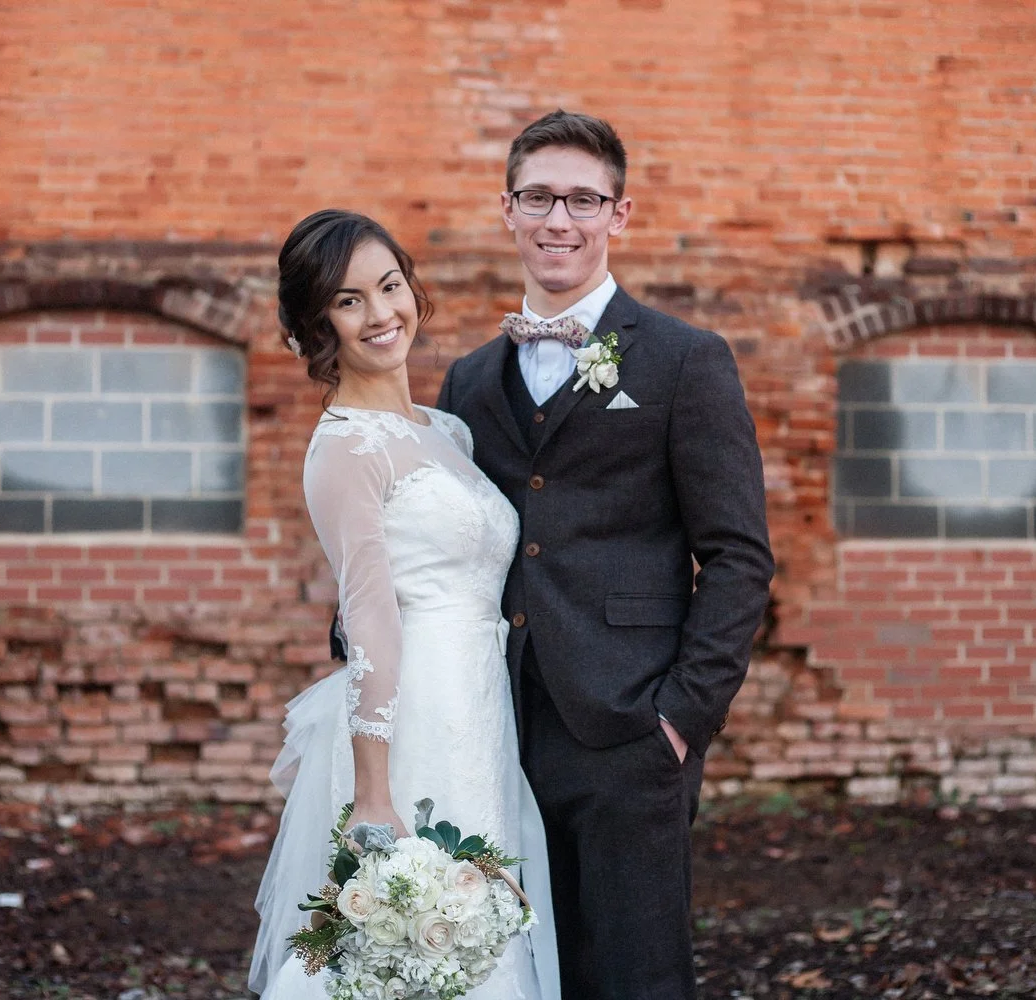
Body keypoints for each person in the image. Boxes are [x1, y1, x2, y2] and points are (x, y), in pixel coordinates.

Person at [435, 110, 774, 1000]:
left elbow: (738, 556)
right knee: (511, 961)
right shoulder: (469, 381)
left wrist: (682, 717)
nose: (560, 220)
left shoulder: (685, 362)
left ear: (619, 216)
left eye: (584, 200)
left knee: (633, 976)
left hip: (631, 725)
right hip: (494, 725)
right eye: (539, 197)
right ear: (506, 208)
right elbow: (439, 528)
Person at [247, 210, 559, 1000]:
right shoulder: (345, 449)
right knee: (411, 942)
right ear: (319, 325)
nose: (382, 314)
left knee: (476, 933)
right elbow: (369, 621)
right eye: (350, 301)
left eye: (389, 287)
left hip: (480, 708)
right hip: (413, 716)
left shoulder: (445, 430)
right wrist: (374, 791)